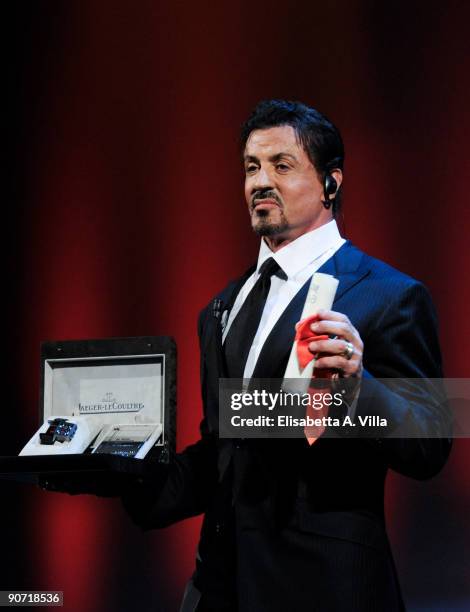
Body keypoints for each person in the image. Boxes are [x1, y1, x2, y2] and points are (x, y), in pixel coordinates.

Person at [123, 99, 451, 612]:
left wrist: (359, 388)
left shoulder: (389, 295)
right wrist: (119, 465)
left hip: (326, 589)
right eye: (252, 167)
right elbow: (225, 454)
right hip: (223, 587)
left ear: (331, 183)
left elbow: (432, 440)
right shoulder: (221, 308)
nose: (260, 181)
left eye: (282, 165)